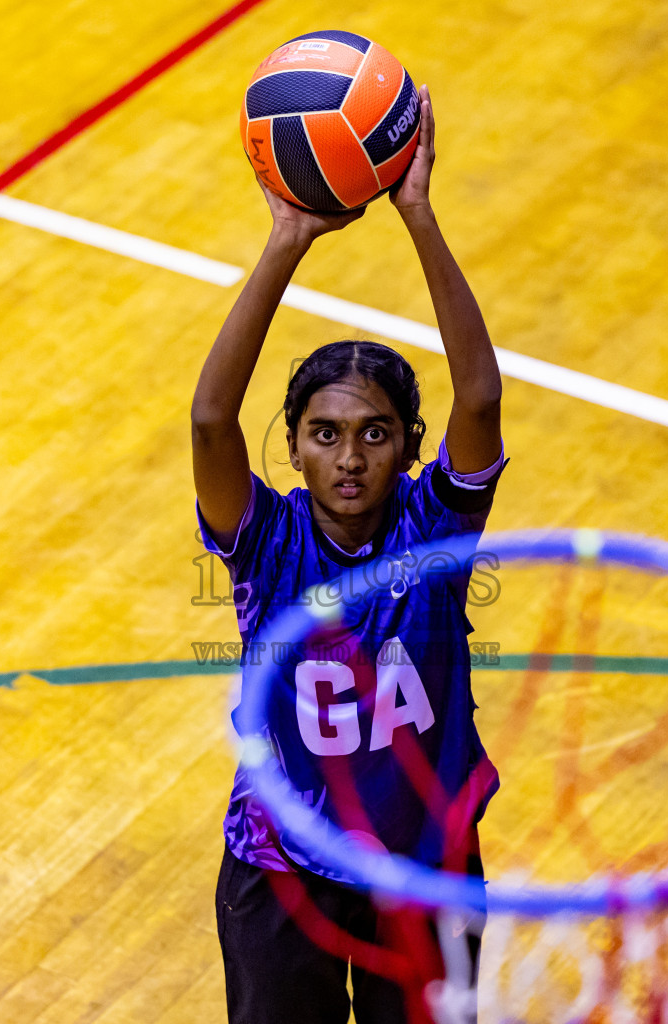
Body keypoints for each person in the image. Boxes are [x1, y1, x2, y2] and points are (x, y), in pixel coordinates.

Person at [191, 86, 506, 1024]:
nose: (350, 457)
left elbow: (481, 397)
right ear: (290, 448)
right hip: (284, 868)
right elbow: (211, 418)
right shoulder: (269, 544)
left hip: (424, 869)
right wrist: (287, 238)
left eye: (375, 435)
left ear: (409, 447)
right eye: (325, 435)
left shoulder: (433, 533)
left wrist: (417, 212)